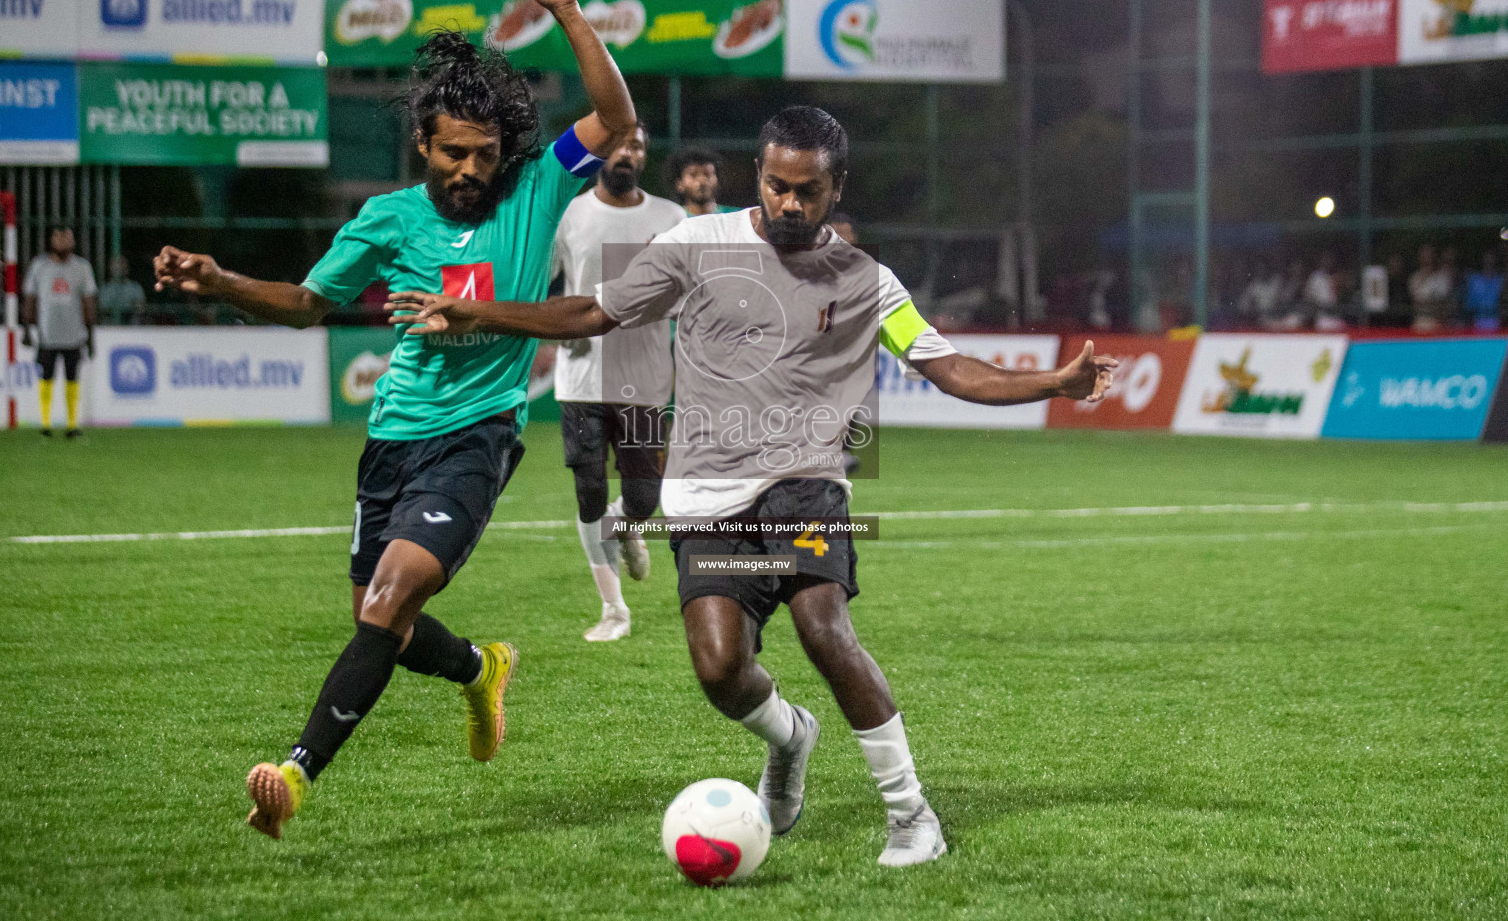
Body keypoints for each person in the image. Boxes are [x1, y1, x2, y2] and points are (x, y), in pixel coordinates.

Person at [385, 106, 1116, 867]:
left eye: (807, 190)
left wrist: (1055, 384)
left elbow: (952, 369)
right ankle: (790, 737)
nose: (789, 204)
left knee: (822, 626)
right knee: (719, 670)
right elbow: (593, 310)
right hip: (704, 497)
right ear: (757, 178)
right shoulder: (697, 245)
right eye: (776, 186)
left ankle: (911, 815)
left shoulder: (867, 280)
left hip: (807, 482)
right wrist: (478, 311)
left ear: (837, 189)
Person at [153, 0, 636, 840]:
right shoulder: (386, 219)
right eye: (454, 153)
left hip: (475, 437)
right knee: (387, 622)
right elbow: (306, 305)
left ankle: (294, 776)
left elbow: (616, 114)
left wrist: (568, 10)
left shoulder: (535, 187)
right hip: (392, 439)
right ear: (424, 144)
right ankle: (482, 671)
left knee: (387, 602)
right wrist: (220, 280)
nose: (470, 170)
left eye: (485, 155)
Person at [550, 120, 686, 641]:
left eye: (639, 146)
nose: (629, 153)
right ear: (601, 151)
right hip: (582, 376)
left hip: (646, 377)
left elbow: (687, 291)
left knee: (643, 499)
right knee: (587, 490)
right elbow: (545, 280)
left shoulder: (670, 218)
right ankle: (614, 610)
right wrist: (554, 326)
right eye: (621, 144)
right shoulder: (570, 214)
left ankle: (622, 527)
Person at [22, 226, 97, 438]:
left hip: (73, 334)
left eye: (67, 238)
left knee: (72, 378)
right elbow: (30, 298)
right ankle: (45, 424)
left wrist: (91, 336)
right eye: (59, 237)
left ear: (73, 242)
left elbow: (88, 301)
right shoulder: (39, 266)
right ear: (51, 240)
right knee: (46, 377)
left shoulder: (82, 267)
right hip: (47, 334)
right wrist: (26, 329)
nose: (63, 242)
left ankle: (72, 425)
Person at [665, 146, 740, 216]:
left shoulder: (736, 216)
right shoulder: (674, 219)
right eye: (693, 175)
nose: (702, 180)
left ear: (718, 180)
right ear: (679, 184)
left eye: (707, 174)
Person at [98, 255, 146, 325]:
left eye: (123, 265)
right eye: (117, 265)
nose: (121, 268)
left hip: (132, 326)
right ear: (110, 268)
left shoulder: (135, 287)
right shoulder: (105, 289)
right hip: (109, 326)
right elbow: (102, 309)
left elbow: (140, 308)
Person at [1464, 250, 1504, 331]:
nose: (1489, 262)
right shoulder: (1474, 279)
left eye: (1491, 260)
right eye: (1487, 260)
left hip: (1496, 320)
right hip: (1477, 320)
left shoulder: (1500, 280)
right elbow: (1469, 304)